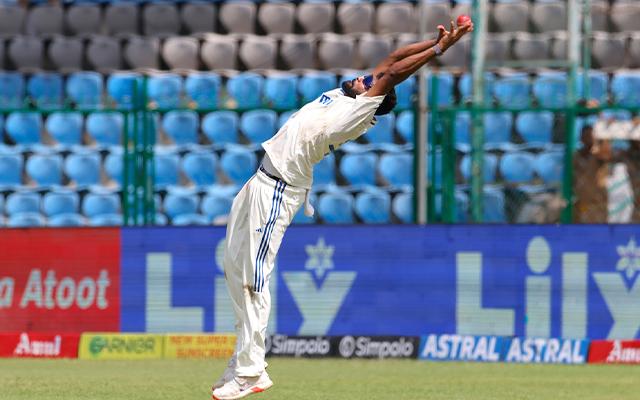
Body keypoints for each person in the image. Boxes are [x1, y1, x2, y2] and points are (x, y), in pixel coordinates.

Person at [212, 20, 474, 400]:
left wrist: (439, 53)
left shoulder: (357, 111)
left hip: (277, 191)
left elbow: (393, 74)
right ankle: (244, 360)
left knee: (254, 279)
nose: (364, 77)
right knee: (235, 271)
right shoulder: (346, 94)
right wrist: (434, 40)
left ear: (374, 98)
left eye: (371, 82)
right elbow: (392, 60)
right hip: (258, 182)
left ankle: (252, 372)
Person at [572, 125, 610, 223]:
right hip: (581, 203)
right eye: (585, 136)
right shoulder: (575, 156)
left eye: (591, 136)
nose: (588, 139)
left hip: (597, 203)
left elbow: (606, 155)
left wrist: (604, 135)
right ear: (581, 138)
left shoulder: (598, 155)